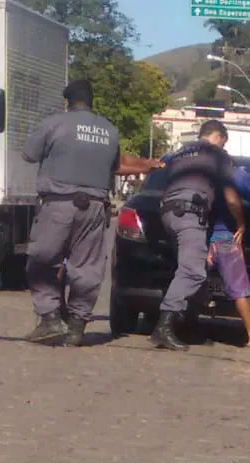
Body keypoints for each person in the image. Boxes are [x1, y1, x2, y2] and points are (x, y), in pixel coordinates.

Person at [22, 79, 162, 347]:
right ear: (91, 101)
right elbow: (115, 166)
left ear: (68, 102)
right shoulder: (109, 130)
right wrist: (147, 165)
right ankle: (77, 325)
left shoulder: (54, 123)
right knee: (86, 267)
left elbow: (29, 154)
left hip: (59, 203)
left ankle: (50, 317)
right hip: (96, 208)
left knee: (41, 259)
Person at [150, 120, 245, 351]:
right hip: (190, 214)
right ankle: (164, 326)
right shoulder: (216, 155)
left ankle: (188, 325)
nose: (224, 147)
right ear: (218, 137)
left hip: (167, 213)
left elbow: (157, 178)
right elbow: (233, 195)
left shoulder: (178, 153)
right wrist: (241, 222)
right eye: (224, 142)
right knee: (193, 272)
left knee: (188, 268)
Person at [207, 158, 250, 350]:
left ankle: (177, 323)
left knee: (190, 280)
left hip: (198, 236)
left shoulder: (202, 175)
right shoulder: (236, 174)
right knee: (239, 290)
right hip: (225, 238)